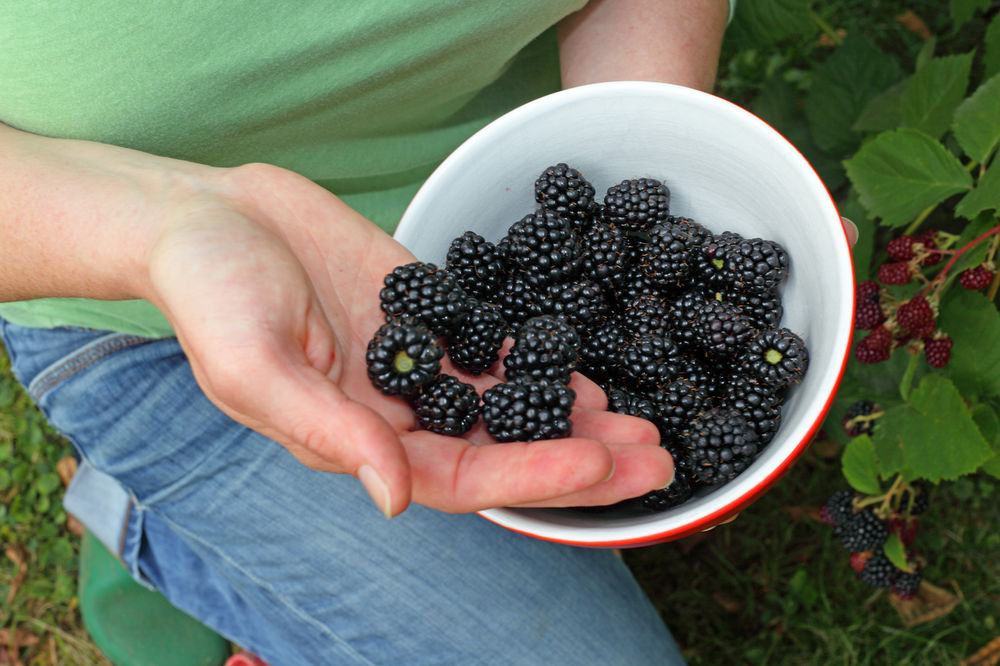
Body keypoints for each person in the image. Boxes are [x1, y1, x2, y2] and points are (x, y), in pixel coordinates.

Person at [0, 2, 780, 663]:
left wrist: (641, 150)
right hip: (138, 307)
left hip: (495, 230)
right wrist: (158, 233)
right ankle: (151, 521)